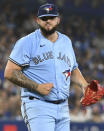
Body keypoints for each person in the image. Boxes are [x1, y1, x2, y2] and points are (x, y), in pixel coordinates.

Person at [4, 3, 89, 131]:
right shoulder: (27, 42)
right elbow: (9, 72)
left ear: (58, 19)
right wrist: (36, 86)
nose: (48, 21)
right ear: (37, 20)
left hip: (63, 107)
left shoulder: (66, 41)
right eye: (44, 18)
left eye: (51, 17)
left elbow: (73, 69)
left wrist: (85, 85)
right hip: (38, 105)